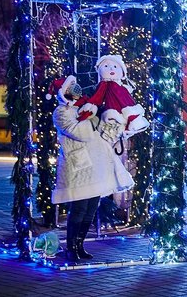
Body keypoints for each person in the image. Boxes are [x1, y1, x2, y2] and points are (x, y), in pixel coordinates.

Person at [50, 75, 135, 262]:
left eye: (75, 86)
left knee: (90, 209)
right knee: (79, 208)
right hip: (79, 168)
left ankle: (80, 245)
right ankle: (71, 247)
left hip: (96, 165)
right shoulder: (61, 112)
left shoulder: (87, 108)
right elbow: (82, 133)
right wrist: (90, 117)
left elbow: (103, 131)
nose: (75, 90)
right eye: (70, 87)